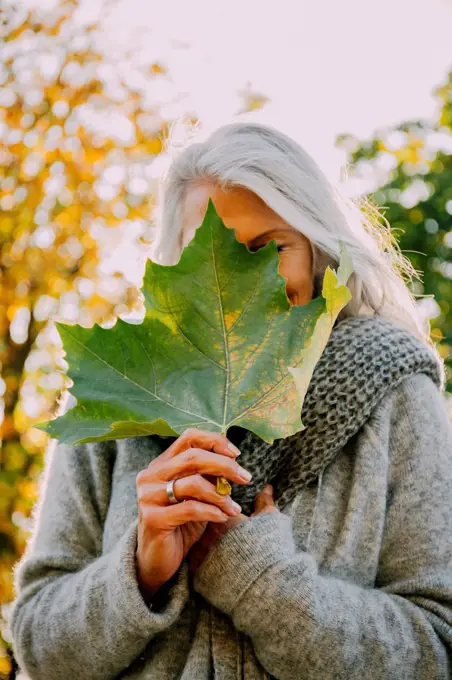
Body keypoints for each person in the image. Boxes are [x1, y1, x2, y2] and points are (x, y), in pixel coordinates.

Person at [9, 121, 452, 680]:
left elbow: (439, 649)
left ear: (316, 249)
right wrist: (140, 569)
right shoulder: (122, 395)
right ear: (176, 263)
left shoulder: (396, 394)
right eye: (214, 257)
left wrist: (262, 582)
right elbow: (38, 645)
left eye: (272, 249)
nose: (245, 284)